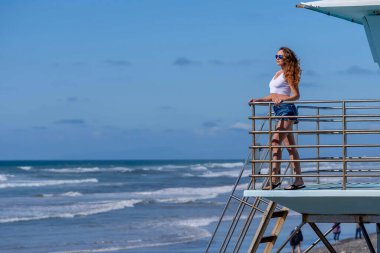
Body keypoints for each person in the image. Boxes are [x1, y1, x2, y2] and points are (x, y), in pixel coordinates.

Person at [249, 47, 305, 190]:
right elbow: (273, 95)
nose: (277, 58)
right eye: (276, 56)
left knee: (274, 141)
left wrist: (283, 99)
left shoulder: (288, 74)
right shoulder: (277, 73)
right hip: (278, 111)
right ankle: (299, 181)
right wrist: (258, 100)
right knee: (290, 148)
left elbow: (296, 95)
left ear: (286, 58)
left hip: (287, 110)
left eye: (280, 56)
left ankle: (275, 179)